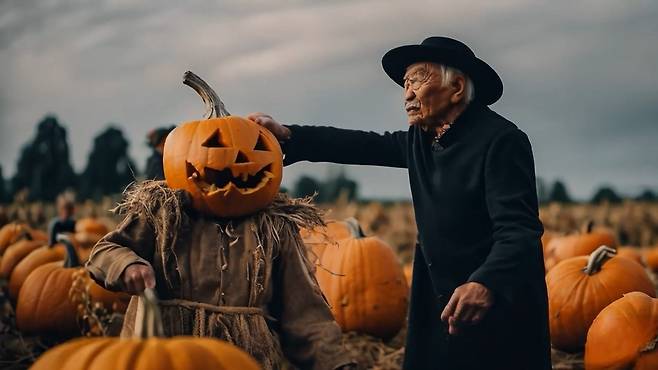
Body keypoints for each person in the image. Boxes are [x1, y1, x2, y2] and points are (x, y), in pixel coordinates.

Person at [249, 36, 551, 370]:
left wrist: (486, 282)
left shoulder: (502, 141)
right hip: (438, 292)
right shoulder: (424, 139)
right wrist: (288, 134)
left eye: (418, 80)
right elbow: (360, 145)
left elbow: (519, 230)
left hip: (494, 298)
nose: (407, 93)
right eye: (405, 83)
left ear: (457, 87)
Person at [85, 183, 354, 369]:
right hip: (162, 352)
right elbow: (105, 251)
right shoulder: (164, 212)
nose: (228, 172)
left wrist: (334, 362)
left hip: (246, 359)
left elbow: (305, 313)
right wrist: (127, 265)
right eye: (213, 151)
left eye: (244, 157)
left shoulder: (274, 227)